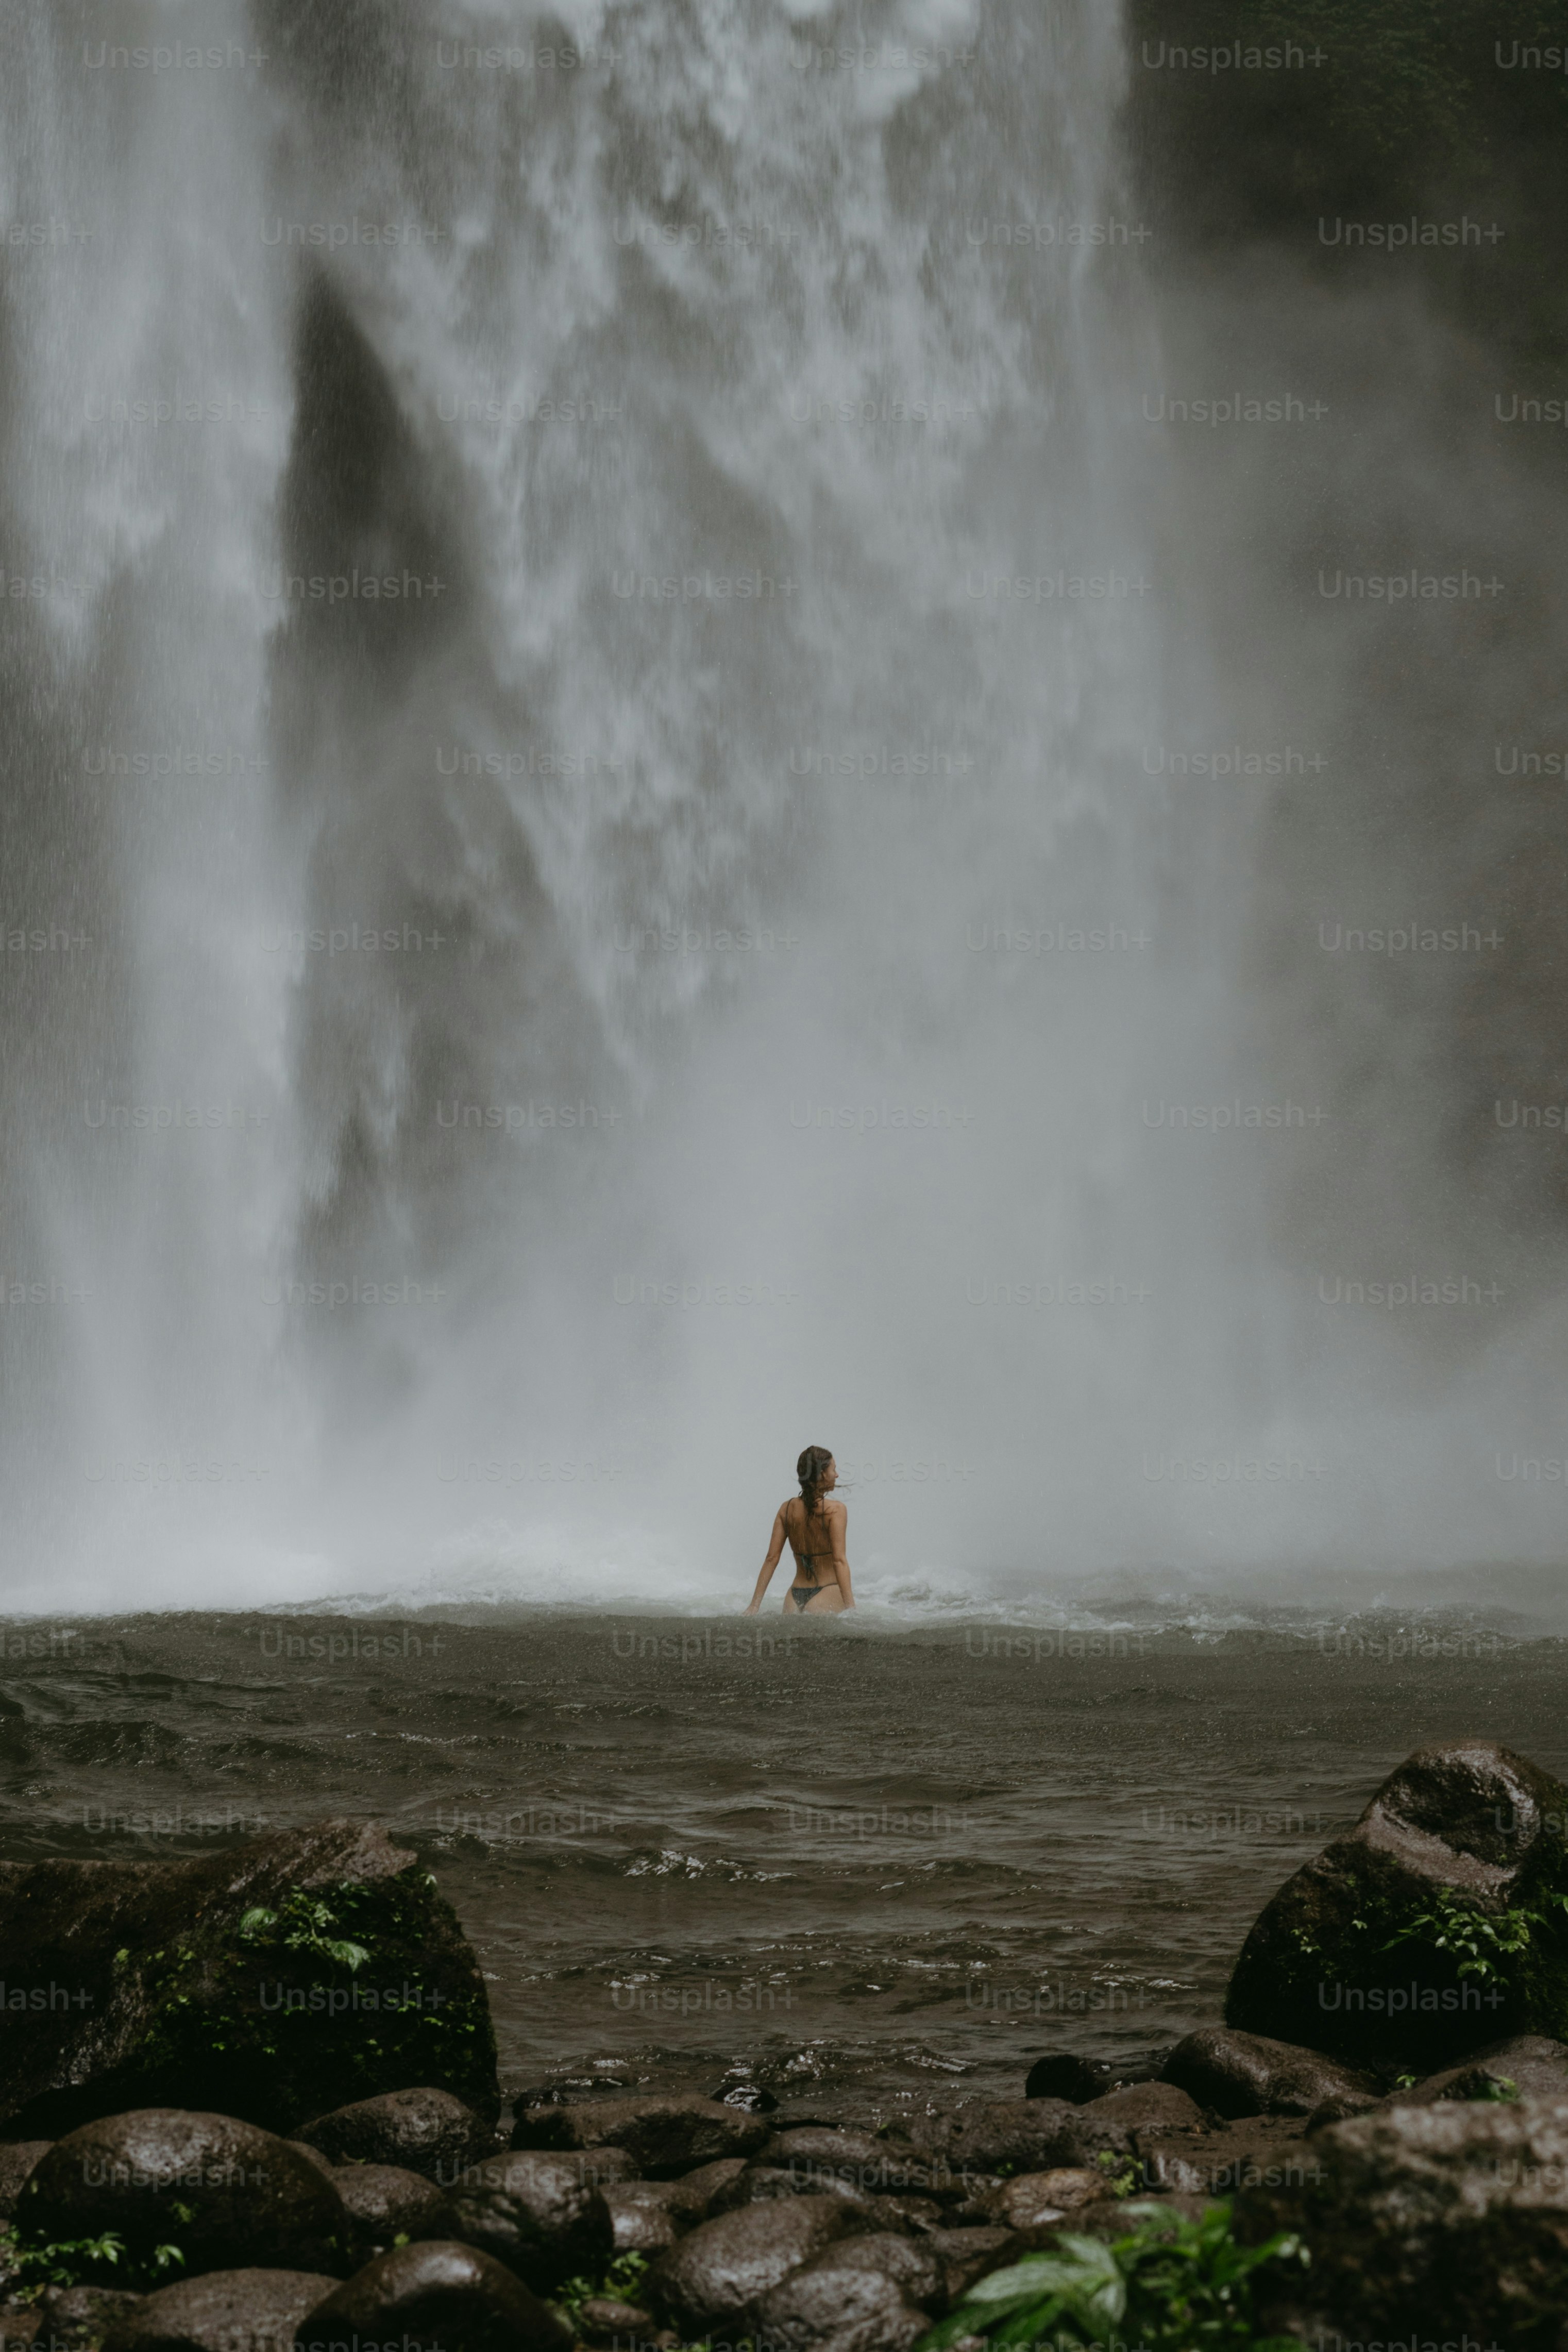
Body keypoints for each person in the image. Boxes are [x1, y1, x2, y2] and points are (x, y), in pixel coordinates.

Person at [745, 1445, 854, 1614]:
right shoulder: (836, 1510)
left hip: (793, 1597)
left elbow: (771, 1559)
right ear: (823, 1474)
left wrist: (754, 1605)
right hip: (827, 1592)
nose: (837, 1475)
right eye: (834, 1469)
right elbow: (839, 1561)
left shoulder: (786, 1509)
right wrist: (852, 1610)